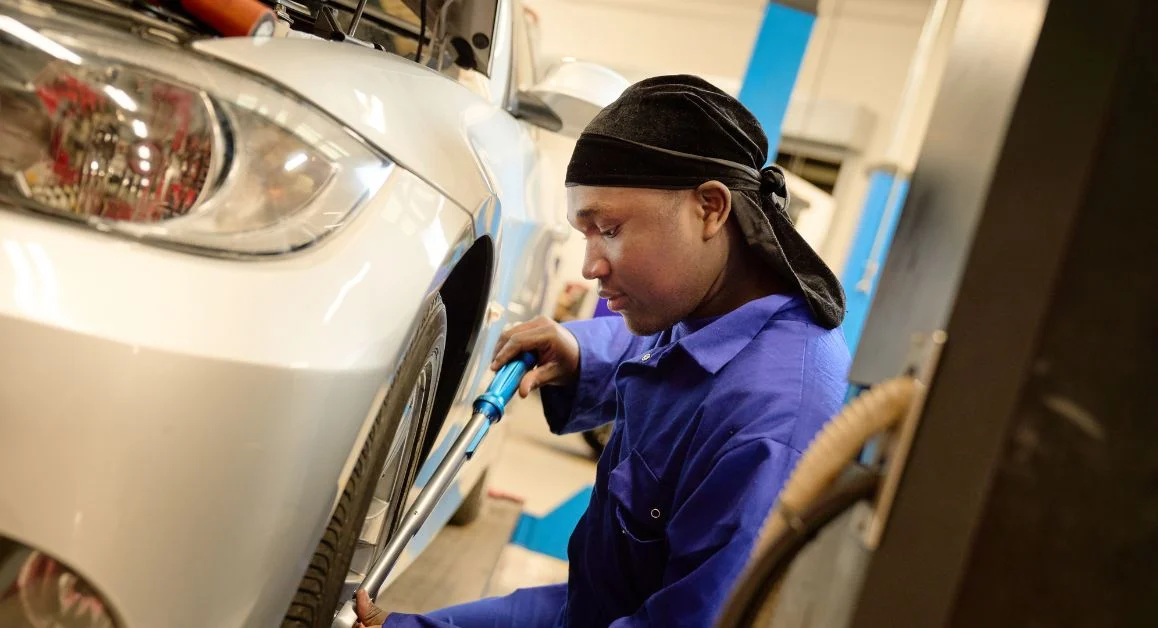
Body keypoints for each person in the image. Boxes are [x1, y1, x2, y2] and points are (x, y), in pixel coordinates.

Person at [355, 75, 850, 628]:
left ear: (710, 208)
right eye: (583, 234)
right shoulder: (707, 305)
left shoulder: (769, 428)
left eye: (608, 229)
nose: (590, 266)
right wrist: (576, 348)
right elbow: (651, 350)